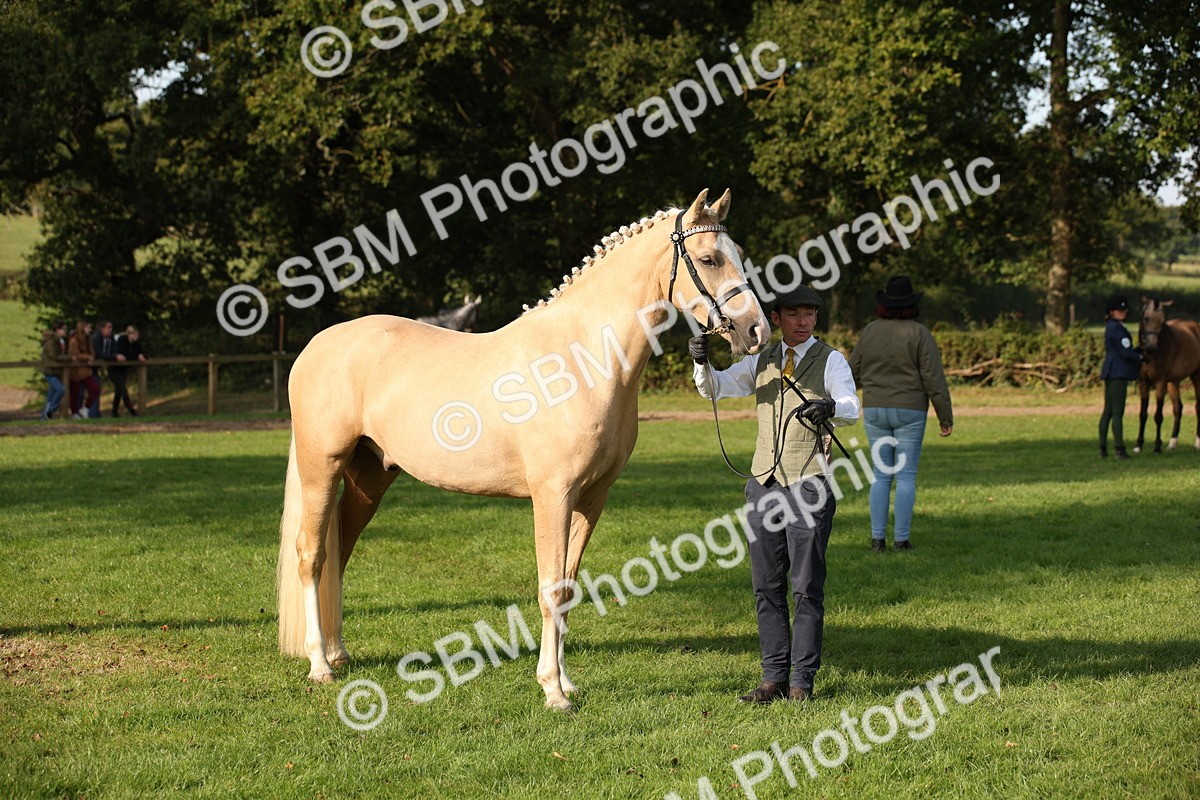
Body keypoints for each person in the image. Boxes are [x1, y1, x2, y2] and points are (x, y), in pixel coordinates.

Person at [690, 286, 860, 703]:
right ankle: (772, 678)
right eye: (794, 314)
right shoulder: (763, 359)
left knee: (805, 587)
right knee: (766, 586)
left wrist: (831, 408)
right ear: (776, 317)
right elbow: (717, 388)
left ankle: (801, 682)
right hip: (763, 484)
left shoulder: (831, 360)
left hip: (810, 485)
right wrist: (701, 362)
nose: (803, 321)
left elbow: (852, 405)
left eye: (810, 314)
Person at [849, 276, 953, 553]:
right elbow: (933, 379)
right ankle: (901, 540)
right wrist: (945, 416)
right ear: (911, 304)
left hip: (873, 409)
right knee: (906, 476)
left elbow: (852, 372)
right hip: (910, 410)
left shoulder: (869, 331)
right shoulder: (919, 333)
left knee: (881, 475)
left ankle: (877, 539)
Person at [1098, 294, 1140, 459]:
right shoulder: (1117, 329)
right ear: (1111, 311)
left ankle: (1103, 448)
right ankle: (1119, 448)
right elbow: (1126, 353)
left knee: (1107, 411)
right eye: (1118, 310)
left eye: (1124, 309)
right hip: (1118, 372)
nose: (1122, 312)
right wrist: (1140, 357)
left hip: (1111, 371)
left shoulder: (1112, 326)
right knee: (1117, 411)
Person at [67, 320, 100, 419]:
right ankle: (74, 413)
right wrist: (87, 357)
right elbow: (75, 355)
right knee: (75, 393)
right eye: (87, 328)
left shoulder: (88, 340)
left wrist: (91, 358)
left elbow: (92, 352)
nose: (89, 330)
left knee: (95, 388)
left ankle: (85, 408)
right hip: (75, 371)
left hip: (86, 371)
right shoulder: (74, 341)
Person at [111, 325, 146, 416]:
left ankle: (114, 411)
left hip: (123, 369)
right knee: (122, 388)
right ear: (129, 334)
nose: (136, 336)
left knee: (119, 390)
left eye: (137, 334)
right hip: (114, 368)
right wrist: (136, 356)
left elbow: (140, 352)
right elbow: (124, 354)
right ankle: (131, 410)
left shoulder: (136, 343)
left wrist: (141, 356)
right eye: (134, 334)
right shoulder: (121, 341)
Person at [39, 322, 70, 420]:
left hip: (56, 371)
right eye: (64, 329)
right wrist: (68, 358)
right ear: (57, 330)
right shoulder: (51, 342)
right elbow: (54, 356)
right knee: (60, 390)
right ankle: (50, 410)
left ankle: (43, 418)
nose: (65, 331)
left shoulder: (60, 341)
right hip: (50, 371)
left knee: (50, 396)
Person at [92, 320, 118, 416]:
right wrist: (113, 357)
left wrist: (114, 355)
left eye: (111, 328)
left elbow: (115, 350)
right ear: (102, 328)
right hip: (90, 368)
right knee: (93, 389)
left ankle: (95, 413)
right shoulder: (95, 339)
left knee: (96, 388)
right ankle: (93, 414)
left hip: (99, 368)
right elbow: (99, 354)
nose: (110, 330)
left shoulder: (110, 338)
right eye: (108, 328)